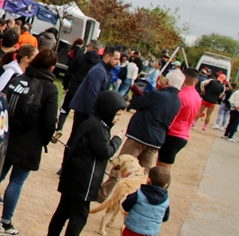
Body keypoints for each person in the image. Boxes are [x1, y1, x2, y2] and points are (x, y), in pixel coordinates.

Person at [41, 91, 126, 236]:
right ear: (108, 110)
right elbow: (105, 152)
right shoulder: (99, 128)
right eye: (117, 114)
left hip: (74, 174)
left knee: (63, 211)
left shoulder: (91, 122)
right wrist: (117, 140)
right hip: (84, 179)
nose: (118, 118)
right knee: (79, 217)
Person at [0, 49, 59, 236]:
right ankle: (5, 223)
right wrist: (44, 140)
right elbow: (49, 121)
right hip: (31, 141)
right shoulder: (50, 89)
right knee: (17, 181)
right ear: (52, 67)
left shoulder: (18, 79)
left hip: (8, 135)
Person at [98, 70, 183, 201]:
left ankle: (103, 194)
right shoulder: (177, 101)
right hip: (156, 140)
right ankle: (136, 199)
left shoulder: (158, 95)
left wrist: (137, 94)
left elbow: (136, 104)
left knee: (120, 165)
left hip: (140, 135)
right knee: (143, 174)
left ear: (167, 82)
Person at [67, 47, 121, 142]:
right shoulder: (99, 71)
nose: (117, 62)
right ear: (107, 57)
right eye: (115, 59)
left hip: (86, 111)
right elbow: (91, 94)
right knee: (77, 138)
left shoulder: (105, 71)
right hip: (84, 111)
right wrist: (92, 116)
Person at [157, 68, 201, 170]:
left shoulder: (180, 96)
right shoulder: (197, 97)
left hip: (173, 134)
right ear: (196, 81)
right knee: (163, 167)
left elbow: (170, 115)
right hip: (183, 133)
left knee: (162, 170)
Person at [57, 39, 102, 130]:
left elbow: (69, 72)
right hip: (86, 91)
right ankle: (75, 132)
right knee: (79, 115)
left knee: (65, 108)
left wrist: (65, 85)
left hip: (74, 87)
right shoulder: (99, 64)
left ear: (90, 47)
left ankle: (59, 128)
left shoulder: (80, 58)